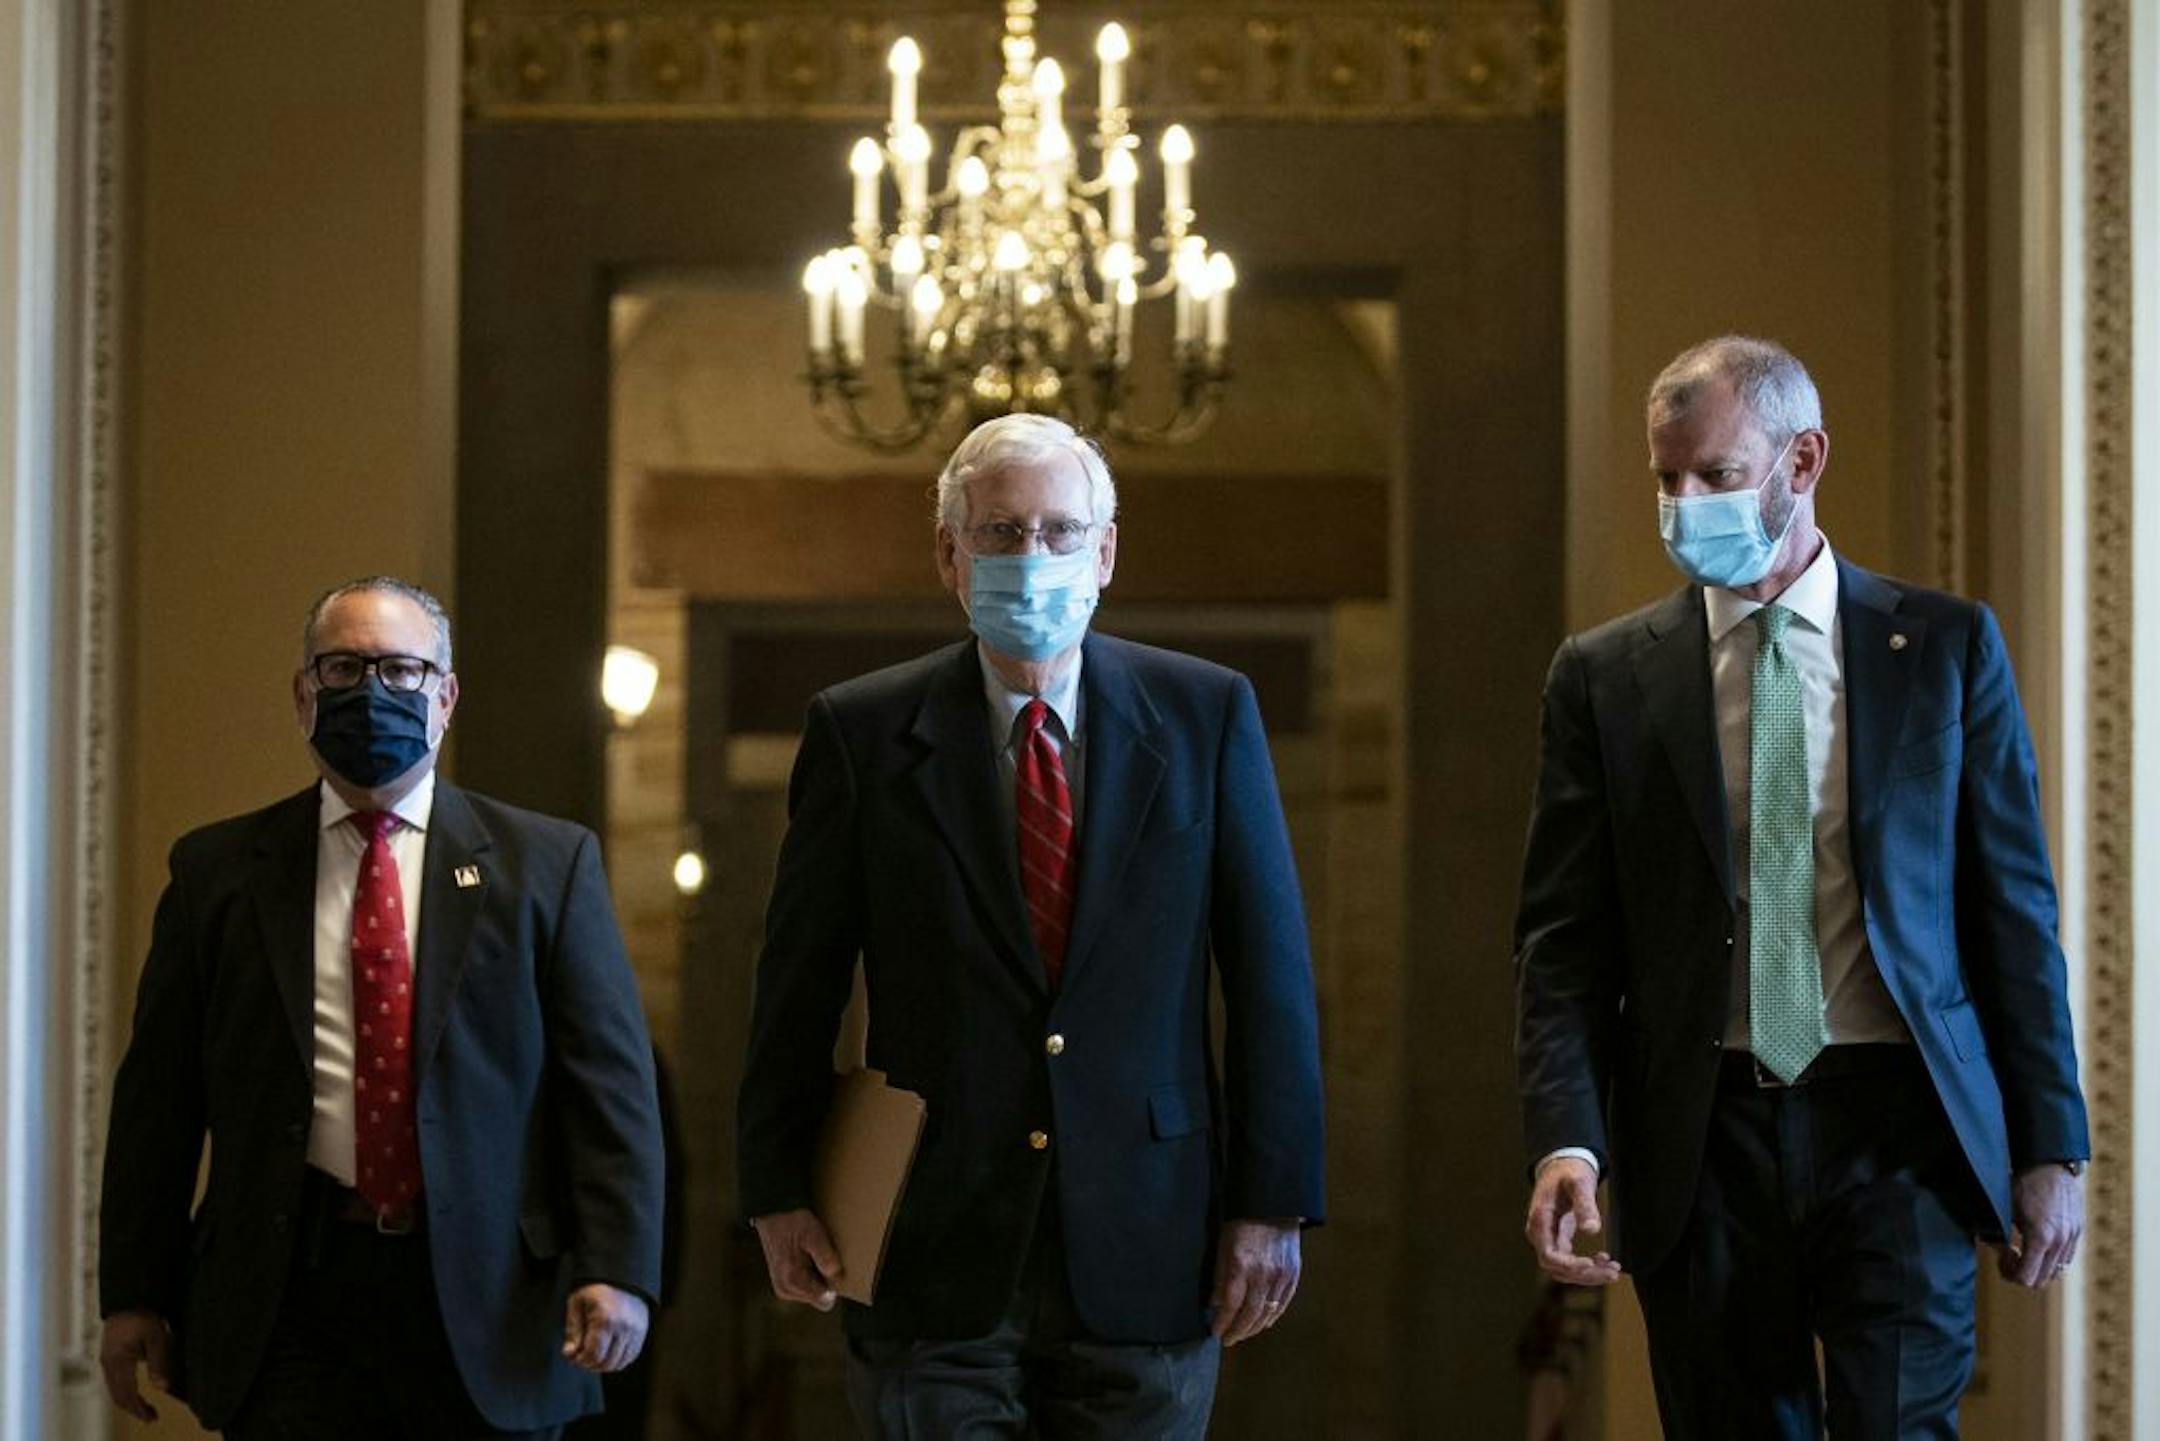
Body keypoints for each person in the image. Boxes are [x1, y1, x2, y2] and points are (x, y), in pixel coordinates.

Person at [1514, 337, 2090, 1438]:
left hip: (1902, 1124)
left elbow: (2012, 909)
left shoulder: (1944, 648)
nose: (1683, 504)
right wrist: (1567, 1138)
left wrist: (2049, 1144)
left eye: (1716, 476)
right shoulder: (1605, 675)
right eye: (1665, 478)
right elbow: (1563, 941)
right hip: (1705, 1130)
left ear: (1804, 459)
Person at [737, 414, 1326, 1439]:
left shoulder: (1206, 715)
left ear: (1105, 552)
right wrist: (778, 1185)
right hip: (931, 1238)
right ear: (949, 556)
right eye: (1002, 533)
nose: (1033, 555)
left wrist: (1272, 1203)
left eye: (1060, 531)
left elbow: (1270, 973)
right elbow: (797, 982)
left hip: (1149, 1236)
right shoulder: (862, 732)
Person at [98, 576, 666, 1440]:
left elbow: (610, 1090)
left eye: (403, 670)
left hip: (489, 1299)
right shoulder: (217, 872)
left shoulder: (546, 866)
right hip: (291, 1295)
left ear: (445, 698)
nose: (374, 693)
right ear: (302, 693)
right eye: (344, 668)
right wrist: (135, 1289)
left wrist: (617, 1264)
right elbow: (159, 1102)